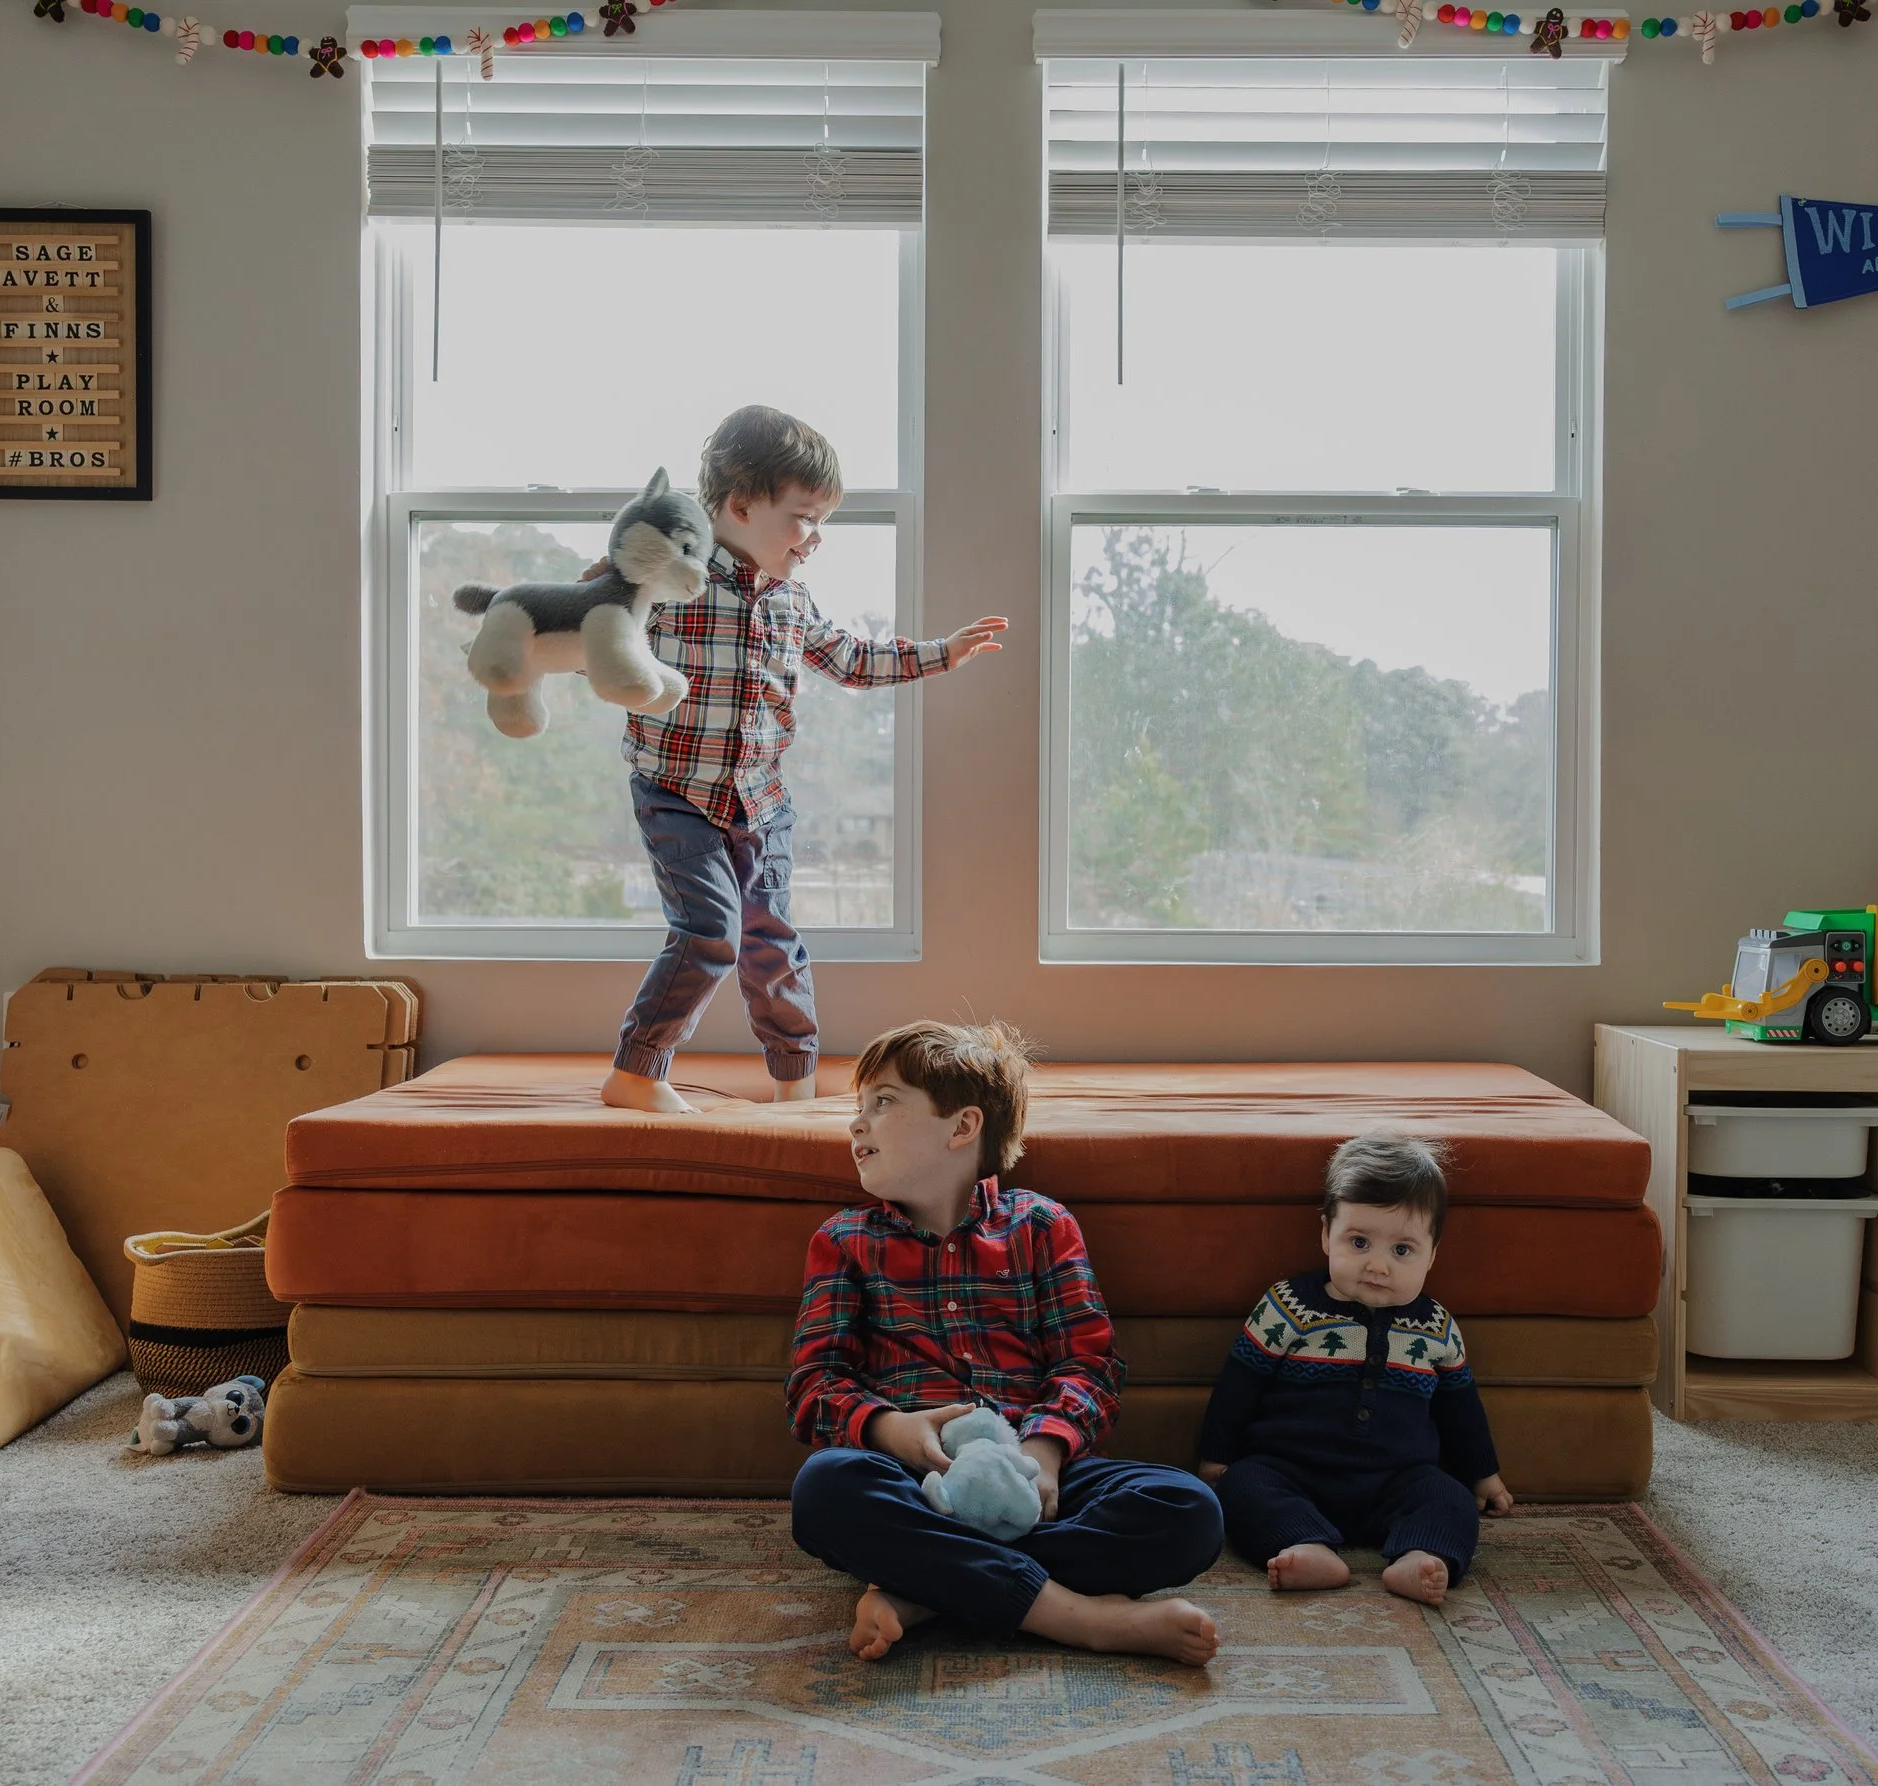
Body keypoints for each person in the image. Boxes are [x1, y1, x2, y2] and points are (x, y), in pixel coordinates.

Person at [601, 407, 1009, 1115]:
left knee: (772, 938)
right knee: (709, 932)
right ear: (739, 505)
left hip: (760, 800)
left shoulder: (791, 599)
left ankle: (794, 1080)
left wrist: (942, 653)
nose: (815, 539)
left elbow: (851, 659)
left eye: (824, 522)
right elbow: (597, 636)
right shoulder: (670, 582)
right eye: (804, 519)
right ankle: (636, 1071)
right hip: (676, 793)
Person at [786, 1019, 1225, 1665]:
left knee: (1190, 1510)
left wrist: (1044, 1454)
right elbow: (814, 1385)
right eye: (858, 1108)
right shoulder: (844, 1239)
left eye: (883, 1103)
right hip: (917, 1482)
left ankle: (928, 1590)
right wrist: (892, 1431)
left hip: (1039, 1476)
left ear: (962, 1128)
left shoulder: (1042, 1225)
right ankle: (1075, 1617)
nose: (857, 1124)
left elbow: (1089, 1366)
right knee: (826, 1490)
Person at [1198, 1131, 1514, 1605]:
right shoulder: (1289, 1306)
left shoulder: (1436, 1326)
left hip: (1398, 1480)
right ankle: (1303, 1546)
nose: (1377, 1266)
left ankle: (1420, 1558)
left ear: (1433, 1253)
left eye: (1402, 1250)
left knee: (1450, 1500)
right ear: (1327, 1233)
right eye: (1359, 1241)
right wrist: (1215, 1457)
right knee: (1241, 1486)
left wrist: (1484, 1476)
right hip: (1291, 1469)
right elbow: (1240, 1384)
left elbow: (1462, 1413)